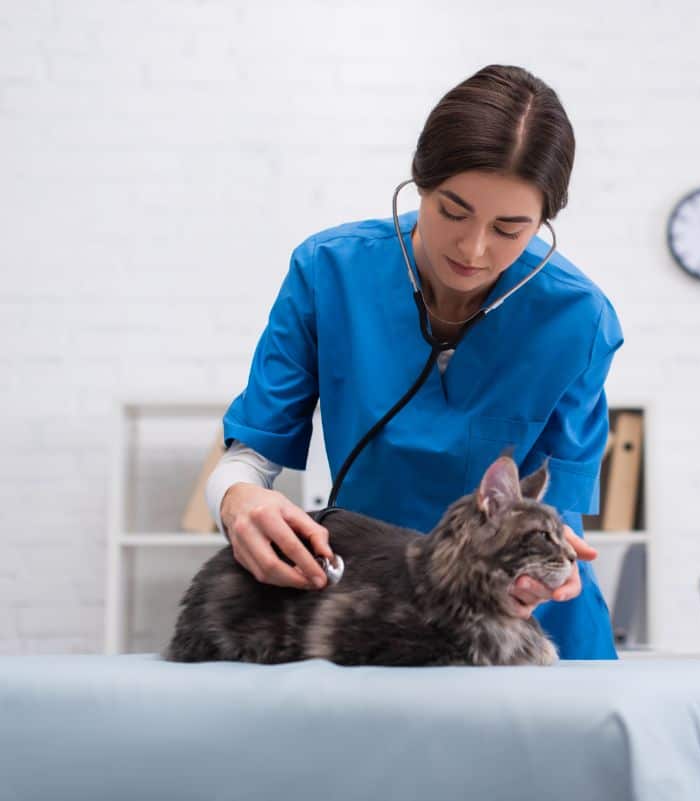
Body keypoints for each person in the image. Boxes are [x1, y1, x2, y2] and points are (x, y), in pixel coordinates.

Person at [205, 64, 623, 660]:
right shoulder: (330, 273)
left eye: (510, 229)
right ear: (420, 184)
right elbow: (250, 457)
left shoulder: (578, 319)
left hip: (530, 623)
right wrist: (237, 499)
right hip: (381, 612)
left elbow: (561, 508)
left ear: (543, 224)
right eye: (453, 211)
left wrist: (546, 575)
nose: (474, 249)